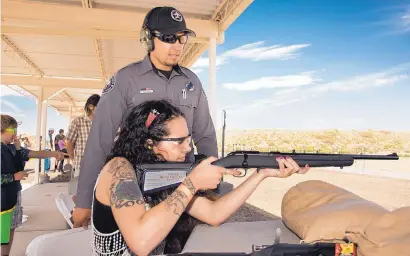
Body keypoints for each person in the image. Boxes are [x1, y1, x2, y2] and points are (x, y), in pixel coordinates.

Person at [91, 100, 310, 256]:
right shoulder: (118, 170)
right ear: (150, 143)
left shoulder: (162, 173)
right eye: (179, 142)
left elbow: (214, 214)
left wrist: (260, 174)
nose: (188, 149)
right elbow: (140, 242)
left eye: (189, 140)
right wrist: (192, 183)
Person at [74, 6, 218, 227]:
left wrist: (211, 181)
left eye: (182, 39)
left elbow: (206, 135)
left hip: (183, 187)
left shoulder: (192, 82)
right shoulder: (125, 80)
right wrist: (84, 200)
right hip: (137, 190)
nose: (177, 46)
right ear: (148, 39)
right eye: (169, 38)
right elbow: (99, 141)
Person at [1, 114, 65, 256]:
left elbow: (35, 153)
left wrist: (53, 153)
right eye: (12, 131)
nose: (15, 134)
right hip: (3, 199)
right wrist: (13, 177)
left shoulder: (14, 148)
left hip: (13, 196)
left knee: (9, 229)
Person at [66, 94, 100, 198]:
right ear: (91, 107)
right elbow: (69, 142)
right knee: (80, 197)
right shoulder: (78, 122)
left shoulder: (102, 123)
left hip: (99, 167)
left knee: (97, 195)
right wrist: (73, 158)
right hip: (81, 166)